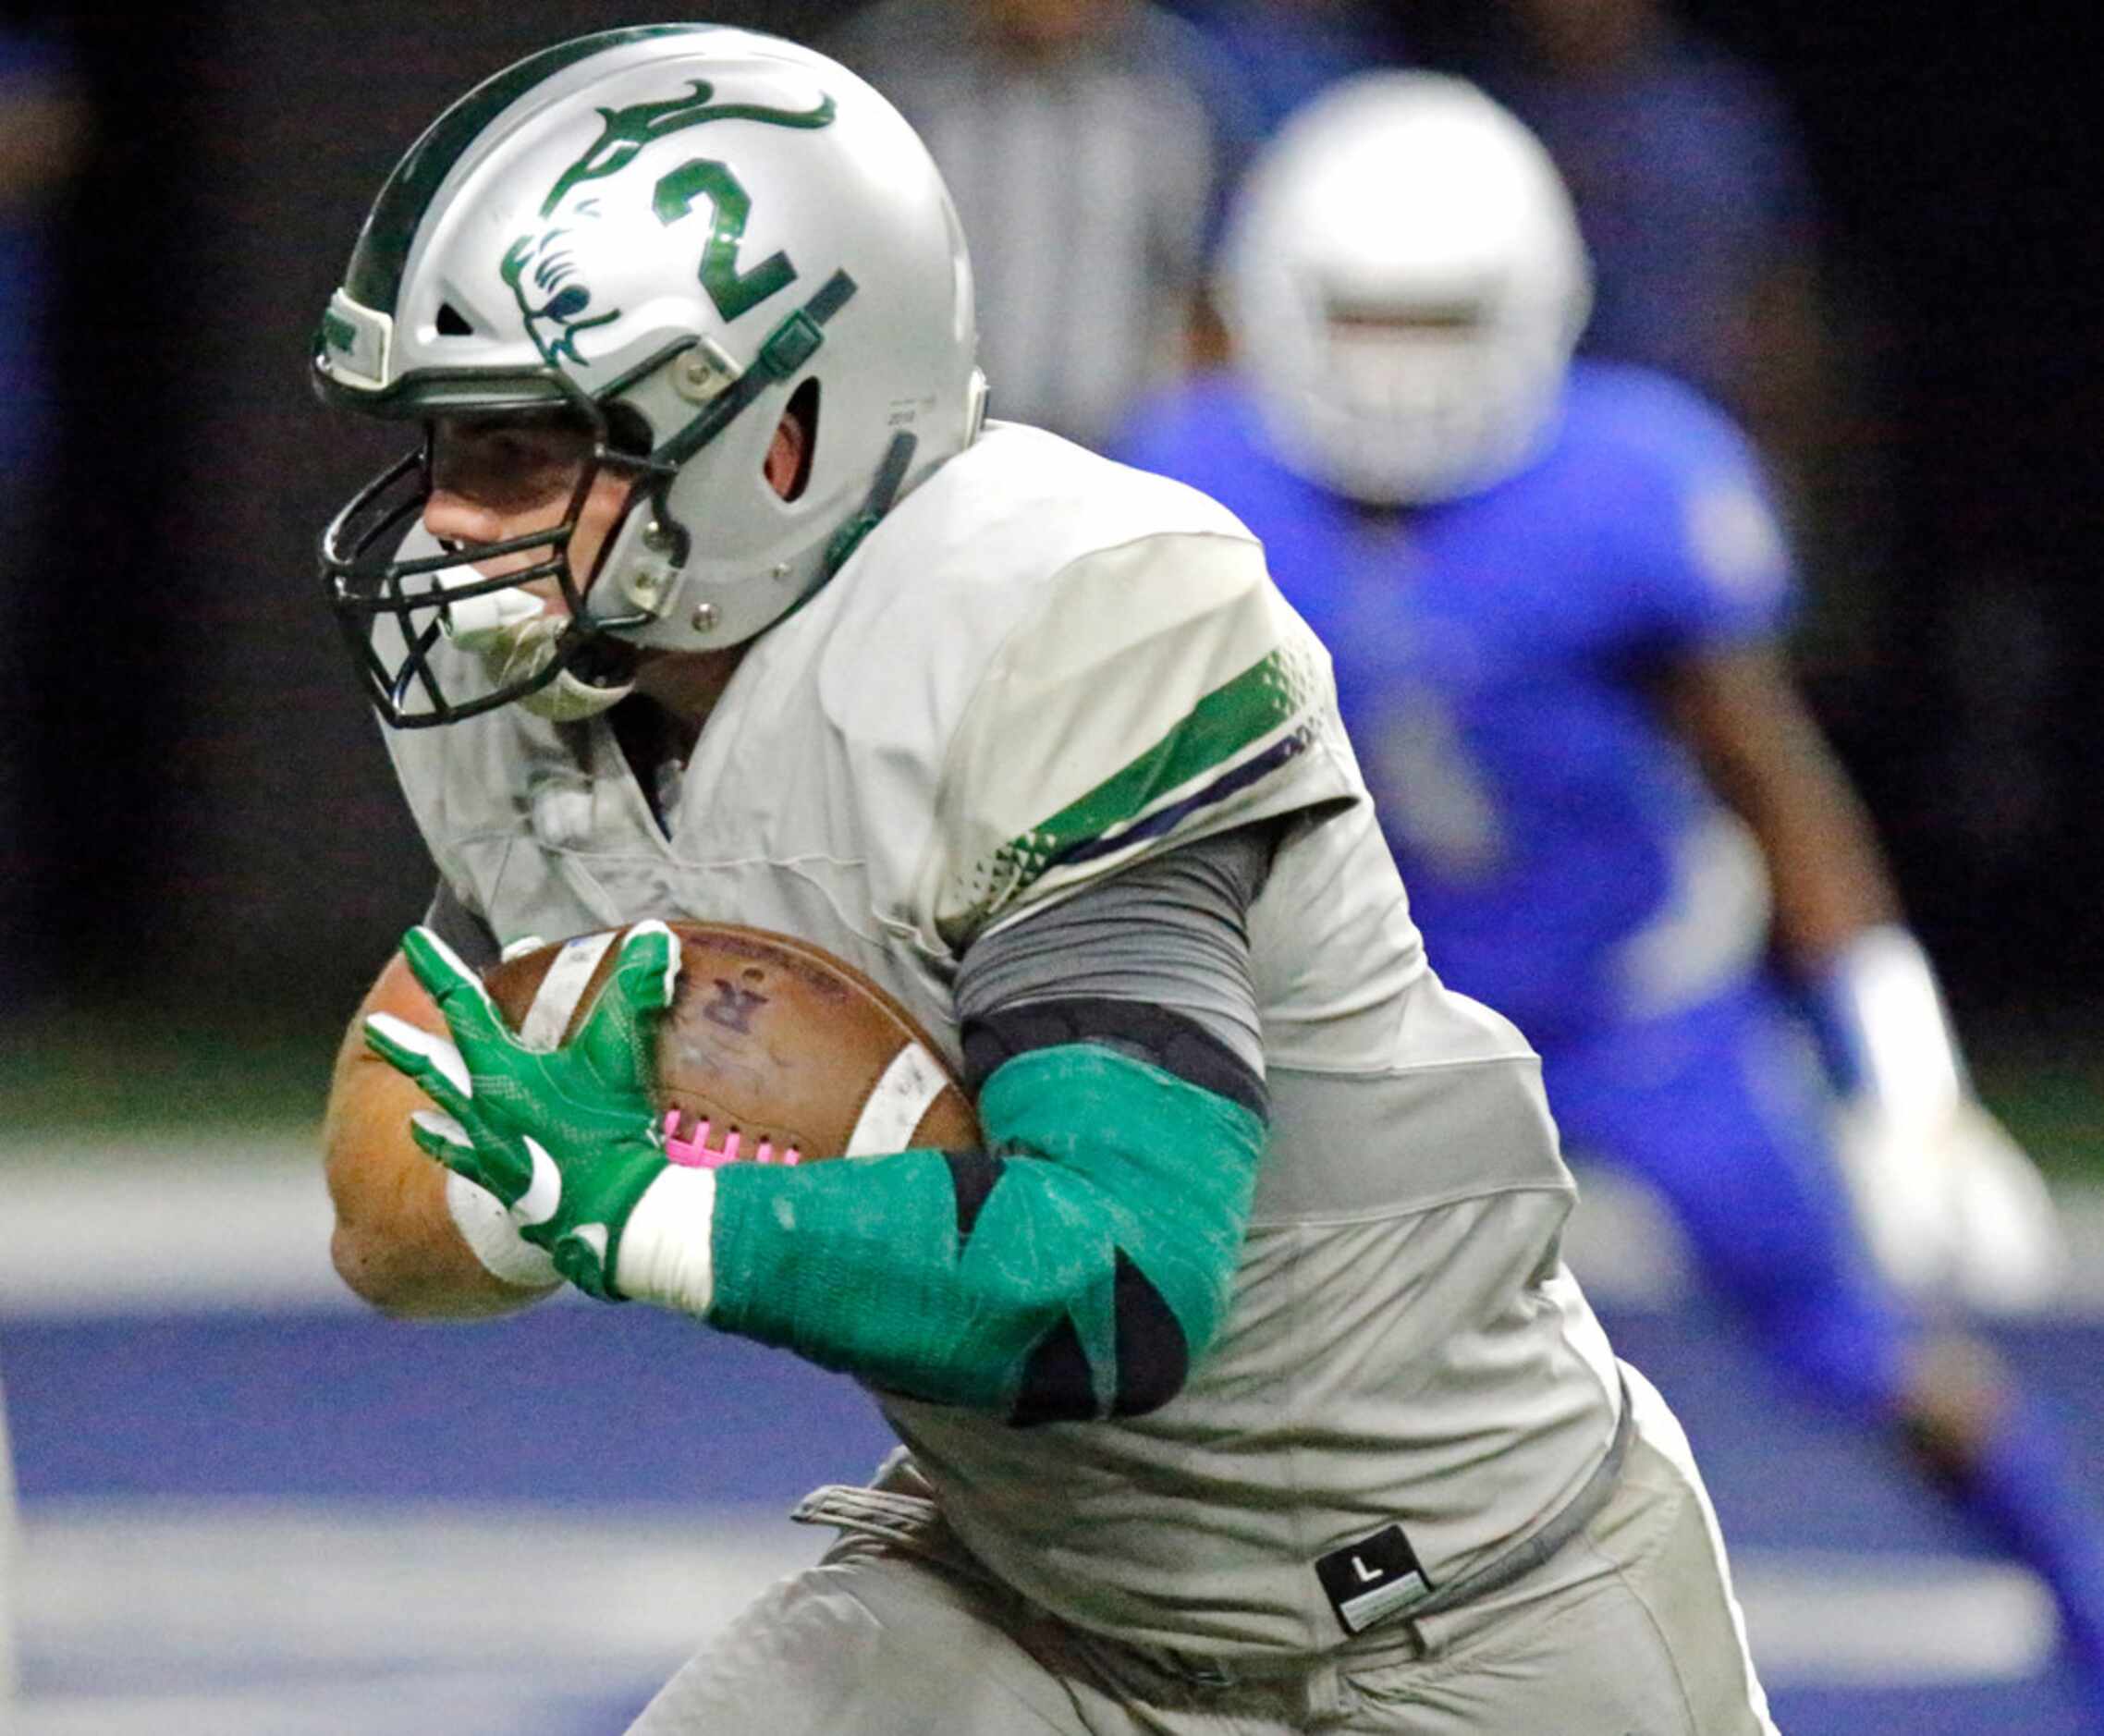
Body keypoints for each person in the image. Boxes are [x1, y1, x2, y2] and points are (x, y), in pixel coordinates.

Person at [312, 26, 1777, 1734]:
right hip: (1025, 1604)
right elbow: (385, 1178)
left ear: (773, 437)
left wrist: (636, 1203)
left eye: (516, 453)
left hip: (1458, 1620)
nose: (443, 530)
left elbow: (1105, 1278)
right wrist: (515, 1182)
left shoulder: (1067, 617)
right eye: (435, 451)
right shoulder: (541, 683)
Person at [1111, 69, 2104, 1724]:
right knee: (1186, 1362)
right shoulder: (1192, 482)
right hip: (1356, 1017)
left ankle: (2084, 1593)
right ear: (1273, 303)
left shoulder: (1630, 481)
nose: (1398, 366)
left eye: (1442, 320)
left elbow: (1772, 785)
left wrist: (1908, 1080)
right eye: (1367, 315)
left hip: (1622, 1004)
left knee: (1861, 1343)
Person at [823, 0, 1252, 447]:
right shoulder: (895, 78)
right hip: (934, 446)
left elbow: (1211, 296)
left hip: (1117, 454)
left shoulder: (1175, 92)